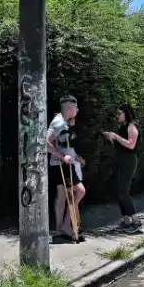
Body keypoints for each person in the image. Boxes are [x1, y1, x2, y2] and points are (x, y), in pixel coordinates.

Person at [47, 95, 86, 239]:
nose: (77, 110)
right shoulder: (58, 122)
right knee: (80, 191)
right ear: (70, 107)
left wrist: (74, 158)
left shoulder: (63, 121)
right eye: (75, 107)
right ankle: (64, 225)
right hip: (61, 165)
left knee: (62, 196)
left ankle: (61, 229)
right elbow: (45, 142)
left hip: (63, 164)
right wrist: (62, 157)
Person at [103, 104, 141, 234]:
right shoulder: (122, 127)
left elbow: (131, 145)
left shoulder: (132, 126)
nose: (117, 116)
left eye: (119, 113)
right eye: (117, 114)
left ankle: (136, 221)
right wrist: (111, 138)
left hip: (128, 161)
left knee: (123, 190)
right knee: (118, 189)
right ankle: (126, 221)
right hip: (120, 159)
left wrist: (116, 136)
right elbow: (121, 145)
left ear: (126, 113)